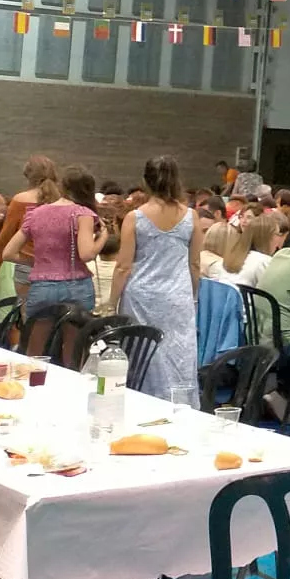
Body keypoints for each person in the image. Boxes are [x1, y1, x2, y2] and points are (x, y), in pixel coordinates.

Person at [112, 157, 203, 398]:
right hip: (177, 295)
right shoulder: (191, 217)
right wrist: (192, 295)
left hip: (141, 295)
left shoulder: (135, 217)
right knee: (178, 354)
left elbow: (123, 266)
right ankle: (179, 401)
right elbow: (194, 263)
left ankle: (140, 399)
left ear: (145, 181)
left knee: (143, 352)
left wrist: (111, 303)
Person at [5, 165, 104, 313]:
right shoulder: (83, 214)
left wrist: (39, 262)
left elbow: (8, 253)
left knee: (38, 335)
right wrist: (103, 236)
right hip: (77, 286)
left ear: (62, 187)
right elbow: (87, 255)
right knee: (74, 335)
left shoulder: (35, 213)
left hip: (42, 286)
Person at [0, 155, 57, 300]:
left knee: (26, 316)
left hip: (27, 264)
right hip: (58, 268)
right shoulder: (62, 201)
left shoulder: (21, 200)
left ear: (27, 175)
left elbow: (3, 241)